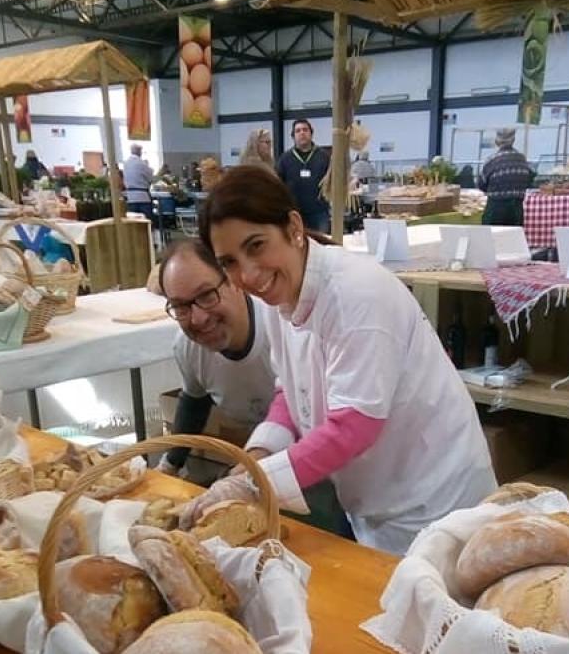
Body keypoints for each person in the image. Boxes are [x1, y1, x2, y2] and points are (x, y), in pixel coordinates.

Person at [180, 166, 496, 555]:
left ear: (293, 227)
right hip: (376, 502)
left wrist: (256, 483)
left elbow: (354, 426)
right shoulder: (279, 299)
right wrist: (257, 455)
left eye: (256, 246)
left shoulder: (355, 294)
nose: (247, 273)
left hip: (435, 502)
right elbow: (290, 393)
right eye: (228, 262)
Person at [156, 239, 275, 477]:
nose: (198, 318)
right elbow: (195, 401)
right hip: (256, 458)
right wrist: (170, 464)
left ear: (235, 281)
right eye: (181, 307)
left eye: (207, 295)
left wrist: (248, 470)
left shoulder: (281, 327)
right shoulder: (187, 346)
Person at [276, 119, 331, 233]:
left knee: (321, 245)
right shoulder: (285, 159)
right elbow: (278, 184)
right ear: (293, 136)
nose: (302, 133)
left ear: (311, 133)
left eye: (305, 130)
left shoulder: (324, 156)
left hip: (319, 212)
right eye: (298, 131)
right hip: (294, 213)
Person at [478, 128, 534, 226]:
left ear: (497, 142)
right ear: (513, 141)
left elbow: (481, 184)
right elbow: (529, 181)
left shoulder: (491, 160)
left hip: (495, 210)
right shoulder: (522, 159)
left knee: (491, 239)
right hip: (516, 210)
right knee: (512, 239)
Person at [123, 143, 154, 220]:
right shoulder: (141, 163)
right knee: (146, 222)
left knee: (134, 223)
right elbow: (151, 178)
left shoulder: (126, 163)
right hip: (143, 197)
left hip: (130, 197)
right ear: (139, 151)